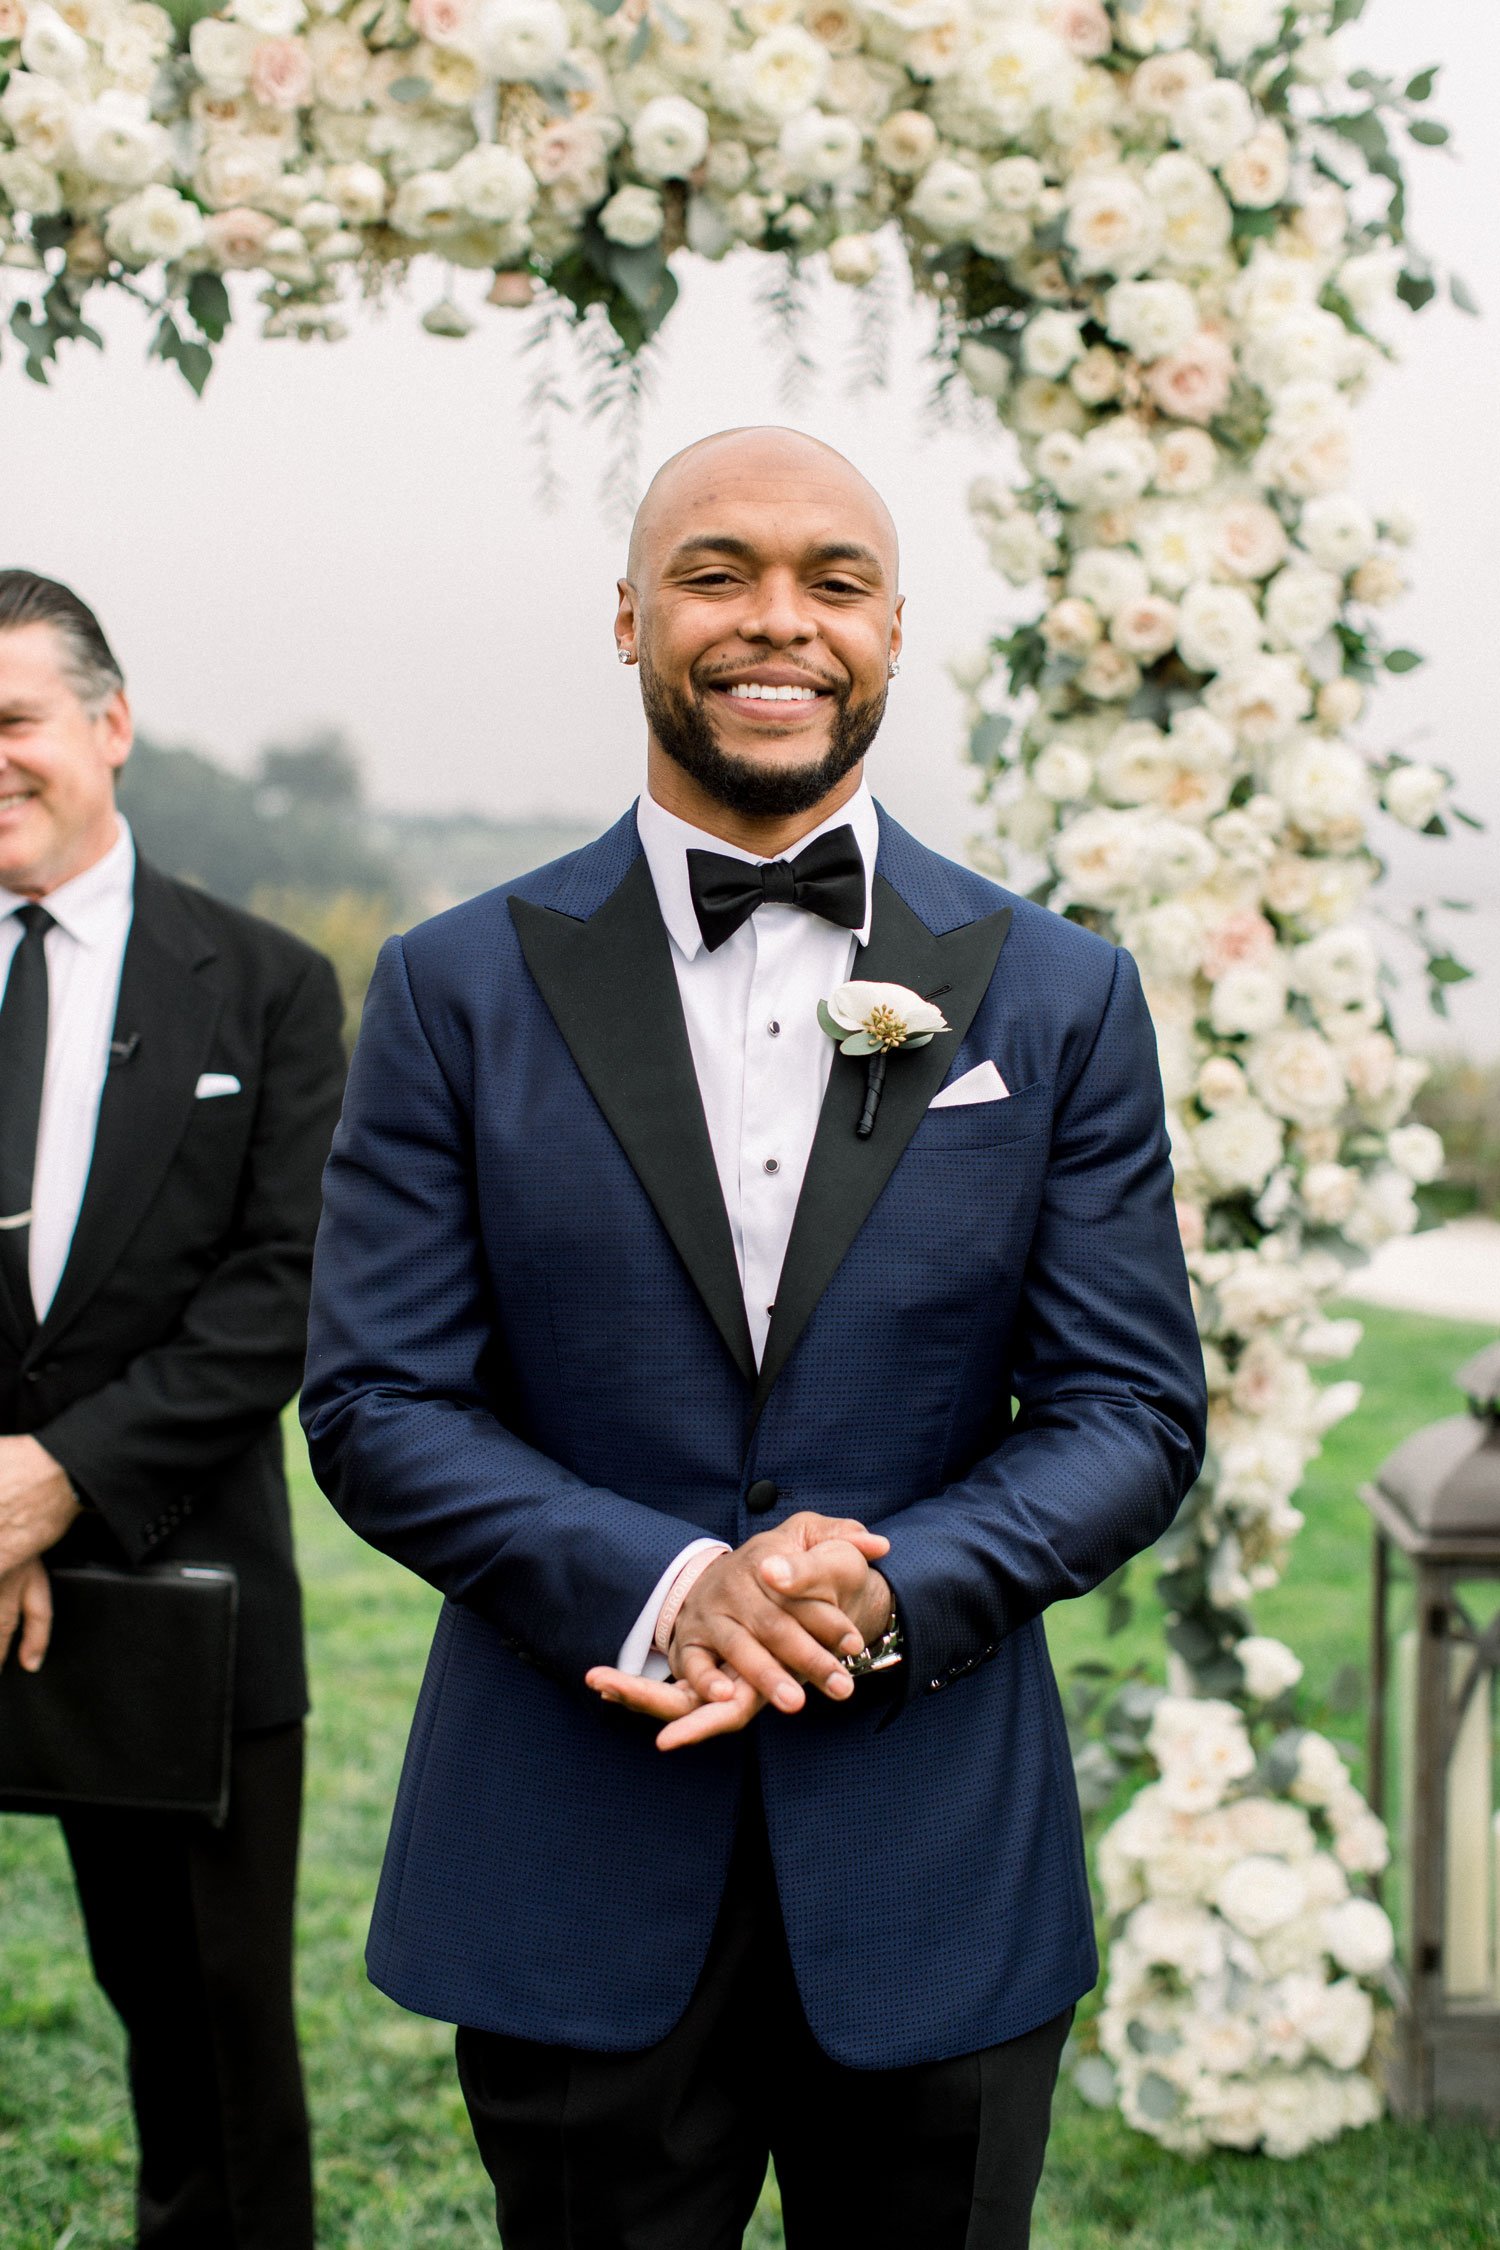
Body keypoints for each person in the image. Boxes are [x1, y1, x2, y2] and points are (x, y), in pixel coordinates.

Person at [301, 427, 1206, 2249]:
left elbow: (1126, 1409)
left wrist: (885, 1590)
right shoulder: (453, 983)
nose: (774, 620)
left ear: (893, 630)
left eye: (833, 580)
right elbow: (380, 1395)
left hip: (934, 1855)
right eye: (716, 574)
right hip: (574, 1839)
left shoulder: (1060, 990)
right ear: (631, 616)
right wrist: (669, 1587)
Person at [0, 572, 346, 2249]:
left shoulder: (270, 987)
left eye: (12, 722)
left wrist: (55, 1483)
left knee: (205, 2040)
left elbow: (280, 1290)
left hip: (175, 1587)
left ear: (108, 725)